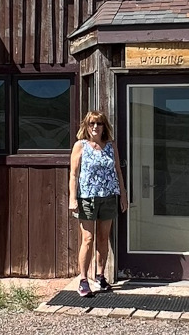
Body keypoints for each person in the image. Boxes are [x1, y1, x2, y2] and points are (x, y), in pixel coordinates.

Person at [68, 110, 128, 297]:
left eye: (99, 124)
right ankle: (83, 279)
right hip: (87, 197)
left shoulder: (110, 146)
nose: (95, 127)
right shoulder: (80, 146)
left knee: (103, 238)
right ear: (86, 126)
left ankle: (101, 277)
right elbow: (74, 173)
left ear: (104, 127)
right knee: (88, 239)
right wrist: (73, 198)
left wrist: (123, 195)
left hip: (109, 197)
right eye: (92, 123)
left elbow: (117, 171)